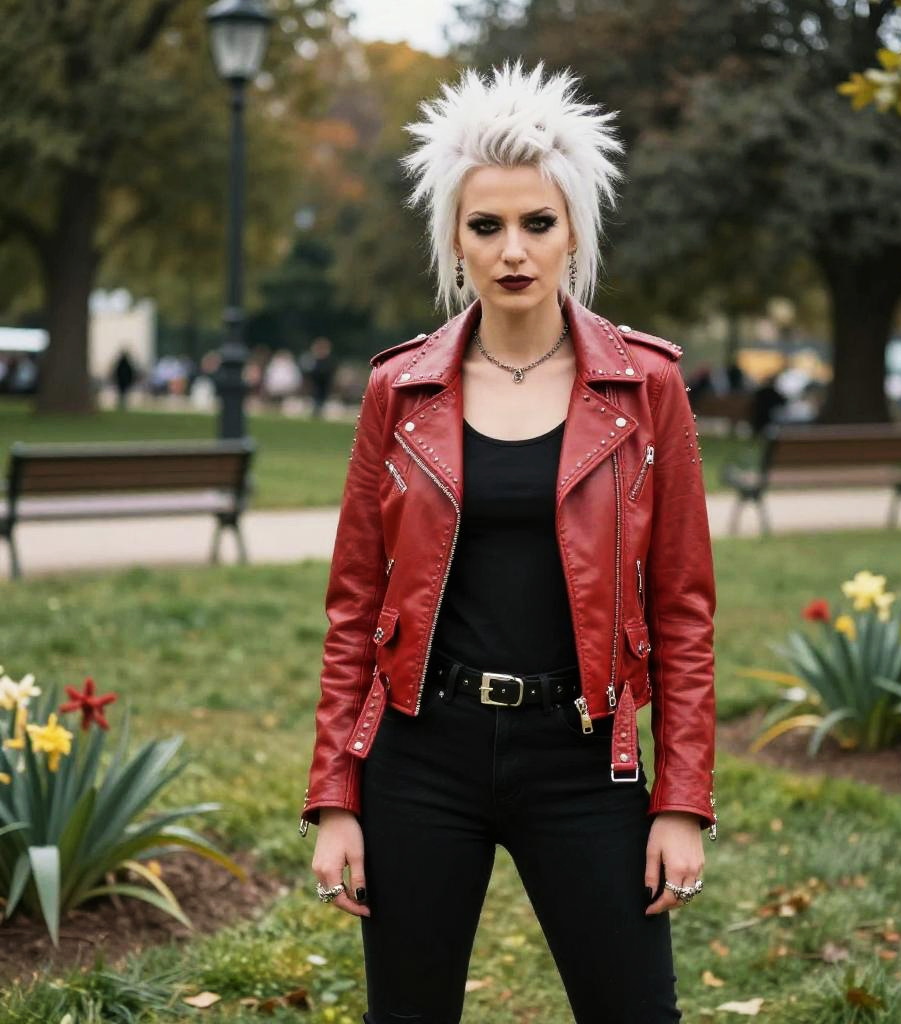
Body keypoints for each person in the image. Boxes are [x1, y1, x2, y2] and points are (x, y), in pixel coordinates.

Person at [299, 60, 717, 1024]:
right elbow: (354, 605)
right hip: (421, 753)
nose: (514, 249)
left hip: (584, 754)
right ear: (456, 235)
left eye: (538, 223)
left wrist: (682, 798)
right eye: (487, 226)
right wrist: (335, 796)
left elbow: (683, 608)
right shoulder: (399, 391)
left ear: (575, 229)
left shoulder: (645, 389)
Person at [302, 336, 337, 418]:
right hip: (316, 381)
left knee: (321, 397)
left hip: (324, 381)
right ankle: (317, 411)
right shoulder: (314, 359)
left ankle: (318, 411)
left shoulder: (328, 360)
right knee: (317, 397)